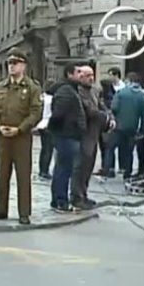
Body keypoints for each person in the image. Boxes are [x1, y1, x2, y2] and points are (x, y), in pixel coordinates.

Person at [0, 48, 42, 225]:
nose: (12, 66)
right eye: (9, 63)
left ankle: (24, 212)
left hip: (21, 138)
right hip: (3, 137)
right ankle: (0, 209)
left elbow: (35, 113)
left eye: (15, 63)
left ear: (23, 65)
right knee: (2, 175)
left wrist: (21, 128)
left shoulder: (32, 88)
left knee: (23, 176)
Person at [71, 64, 113, 210]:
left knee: (89, 165)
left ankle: (84, 193)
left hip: (94, 133)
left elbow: (102, 106)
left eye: (92, 75)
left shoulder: (95, 90)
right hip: (83, 133)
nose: (91, 78)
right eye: (87, 75)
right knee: (80, 166)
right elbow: (90, 110)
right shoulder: (78, 91)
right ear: (80, 76)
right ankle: (76, 196)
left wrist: (110, 117)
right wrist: (105, 118)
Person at [47, 63, 86, 213]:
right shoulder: (66, 90)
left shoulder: (71, 89)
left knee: (62, 168)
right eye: (78, 72)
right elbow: (58, 114)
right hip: (66, 135)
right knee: (63, 169)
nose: (81, 74)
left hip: (68, 134)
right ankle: (60, 201)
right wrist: (56, 128)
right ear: (69, 74)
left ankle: (57, 200)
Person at [104, 72, 144, 180]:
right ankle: (127, 173)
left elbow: (114, 108)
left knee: (110, 147)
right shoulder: (143, 96)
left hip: (118, 127)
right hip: (133, 128)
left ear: (128, 81)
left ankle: (108, 170)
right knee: (129, 151)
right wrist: (142, 130)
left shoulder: (120, 93)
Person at [35, 80, 55, 180]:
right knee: (48, 149)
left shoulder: (42, 97)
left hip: (41, 125)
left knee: (44, 149)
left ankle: (42, 169)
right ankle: (44, 171)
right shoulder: (52, 99)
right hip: (48, 124)